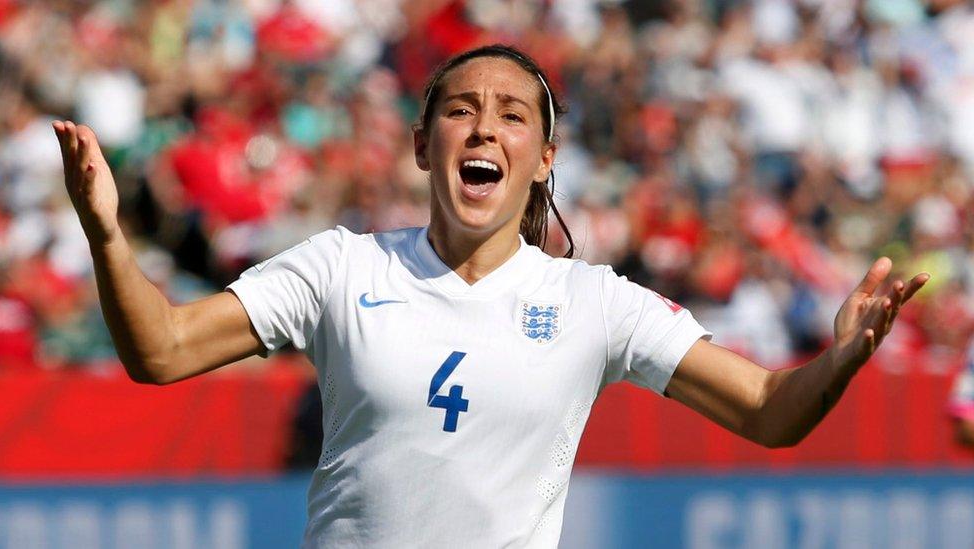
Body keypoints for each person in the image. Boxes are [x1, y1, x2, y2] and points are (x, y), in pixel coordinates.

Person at [54, 44, 928, 548]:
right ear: (421, 142)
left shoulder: (594, 302)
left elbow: (772, 411)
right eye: (461, 108)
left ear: (544, 157)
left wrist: (842, 358)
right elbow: (161, 350)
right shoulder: (340, 268)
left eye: (513, 114)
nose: (484, 126)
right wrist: (105, 232)